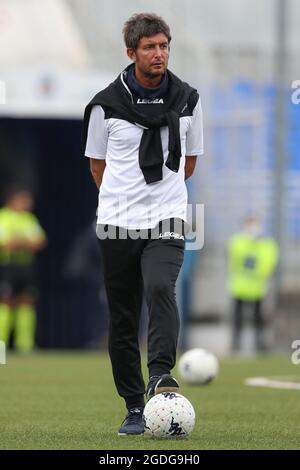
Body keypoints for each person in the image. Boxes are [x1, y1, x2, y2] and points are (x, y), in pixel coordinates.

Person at [82, 13, 204, 435]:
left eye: (164, 45)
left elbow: (189, 162)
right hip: (117, 222)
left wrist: (159, 197)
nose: (159, 54)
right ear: (131, 52)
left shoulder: (188, 99)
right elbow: (98, 166)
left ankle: (159, 376)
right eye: (150, 47)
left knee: (159, 287)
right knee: (122, 315)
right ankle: (134, 405)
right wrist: (125, 202)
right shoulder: (105, 105)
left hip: (167, 215)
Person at [0, 188, 46, 352]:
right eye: (24, 199)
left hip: (26, 267)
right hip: (8, 266)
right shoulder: (3, 216)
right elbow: (6, 244)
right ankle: (1, 345)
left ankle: (25, 346)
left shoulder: (29, 218)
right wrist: (25, 242)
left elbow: (40, 241)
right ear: (13, 200)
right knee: (5, 302)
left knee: (26, 302)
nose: (28, 203)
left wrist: (19, 242)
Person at [227, 216, 279, 352]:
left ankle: (260, 343)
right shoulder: (237, 241)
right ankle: (236, 344)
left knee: (259, 317)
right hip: (239, 286)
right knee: (238, 317)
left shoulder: (267, 244)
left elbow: (268, 264)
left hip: (257, 287)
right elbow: (233, 258)